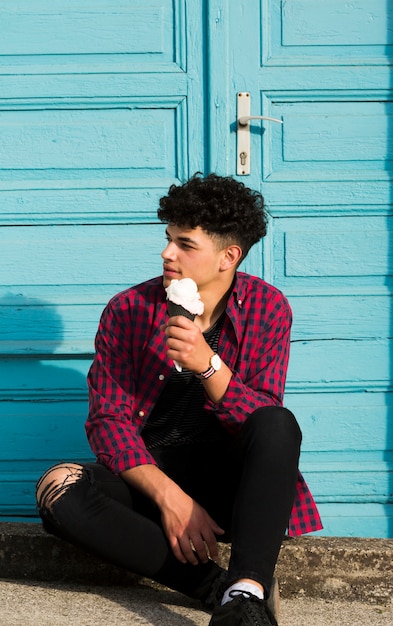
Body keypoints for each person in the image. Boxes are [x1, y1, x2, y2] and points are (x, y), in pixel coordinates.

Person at [36, 173, 322, 626]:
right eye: (168, 239)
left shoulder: (269, 307)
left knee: (278, 422)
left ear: (229, 256)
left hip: (232, 485)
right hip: (153, 475)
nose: (168, 253)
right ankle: (220, 590)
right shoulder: (128, 310)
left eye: (185, 244)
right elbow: (108, 421)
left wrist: (208, 364)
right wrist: (172, 499)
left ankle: (249, 586)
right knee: (59, 486)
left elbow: (264, 419)